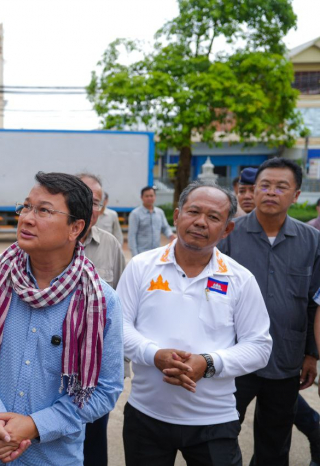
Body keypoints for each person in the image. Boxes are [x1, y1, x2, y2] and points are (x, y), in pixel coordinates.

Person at [0, 172, 123, 465]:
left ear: (76, 228)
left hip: (52, 458)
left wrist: (36, 425)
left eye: (44, 211)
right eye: (26, 207)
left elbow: (105, 389)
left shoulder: (102, 300)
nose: (26, 218)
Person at [118, 180, 273, 465]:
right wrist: (154, 355)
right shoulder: (141, 266)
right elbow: (118, 327)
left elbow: (259, 346)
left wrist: (209, 363)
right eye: (193, 212)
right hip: (146, 416)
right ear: (177, 216)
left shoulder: (239, 279)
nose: (201, 222)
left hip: (214, 421)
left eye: (213, 217)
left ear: (227, 229)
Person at [218, 157, 320, 465]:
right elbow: (211, 294)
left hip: (286, 357)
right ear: (252, 190)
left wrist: (311, 354)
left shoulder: (312, 241)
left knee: (275, 444)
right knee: (218, 434)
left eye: (281, 187)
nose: (271, 192)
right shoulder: (228, 235)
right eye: (264, 185)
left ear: (296, 195)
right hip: (234, 356)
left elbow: (313, 302)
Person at [78, 173, 127, 466]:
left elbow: (123, 306)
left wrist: (121, 365)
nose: (88, 206)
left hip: (95, 368)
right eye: (81, 197)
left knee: (94, 442)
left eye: (94, 202)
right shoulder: (43, 242)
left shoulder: (110, 245)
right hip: (51, 365)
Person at [128, 186, 175, 257]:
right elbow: (132, 235)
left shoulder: (160, 212)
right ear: (141, 197)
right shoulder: (135, 214)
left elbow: (165, 227)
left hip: (156, 253)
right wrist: (135, 255)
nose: (149, 198)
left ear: (155, 196)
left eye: (151, 196)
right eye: (147, 196)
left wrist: (170, 235)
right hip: (141, 253)